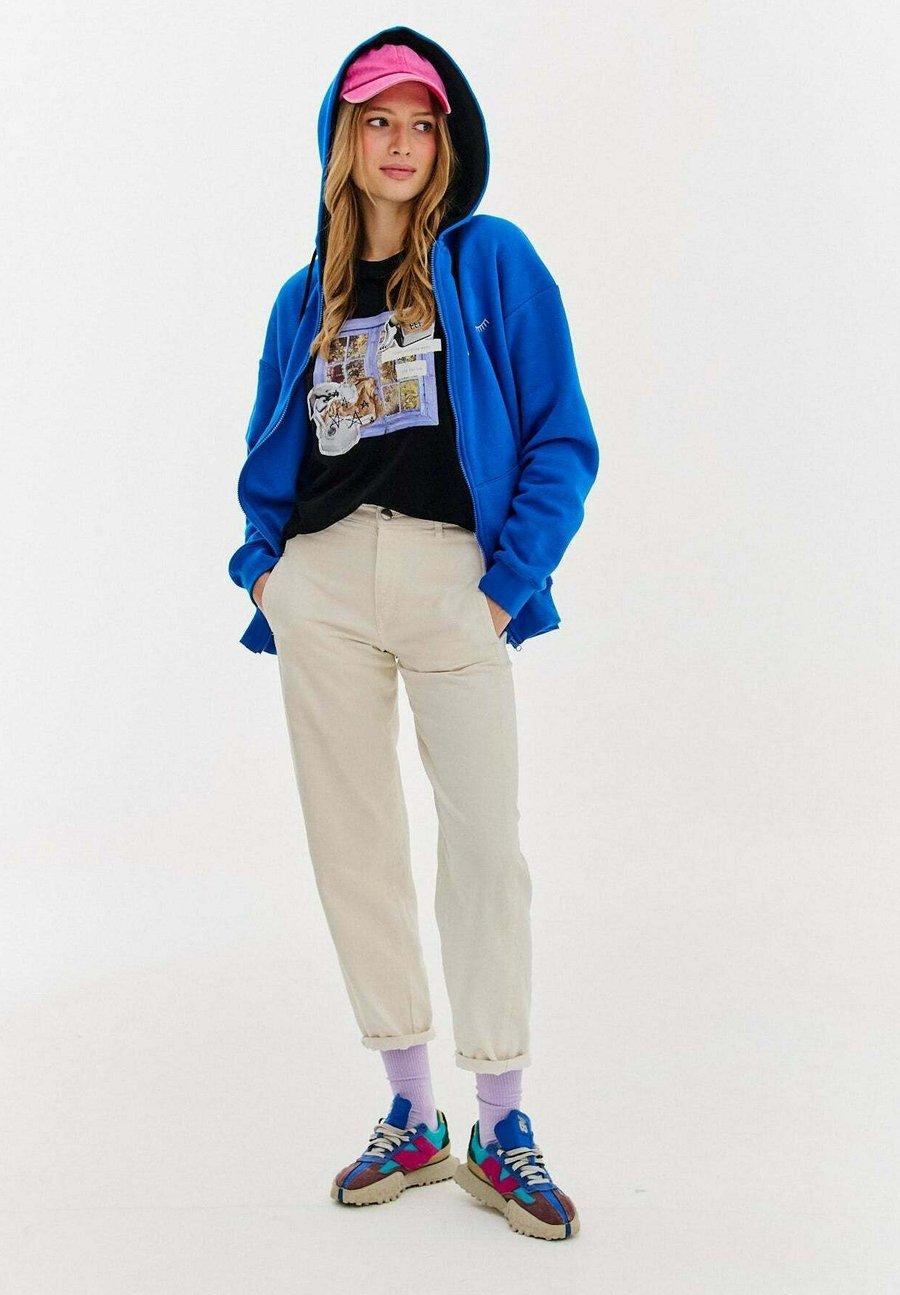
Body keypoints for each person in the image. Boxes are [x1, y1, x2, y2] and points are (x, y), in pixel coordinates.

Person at [228, 28, 600, 1242]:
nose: (400, 142)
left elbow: (562, 436)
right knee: (357, 847)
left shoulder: (492, 261)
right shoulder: (307, 295)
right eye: (378, 120)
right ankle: (412, 1109)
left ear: (448, 139)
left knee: (485, 847)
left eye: (421, 122)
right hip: (325, 586)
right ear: (345, 138)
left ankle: (501, 1117)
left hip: (454, 581)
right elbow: (269, 444)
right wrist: (266, 573)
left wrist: (504, 585)